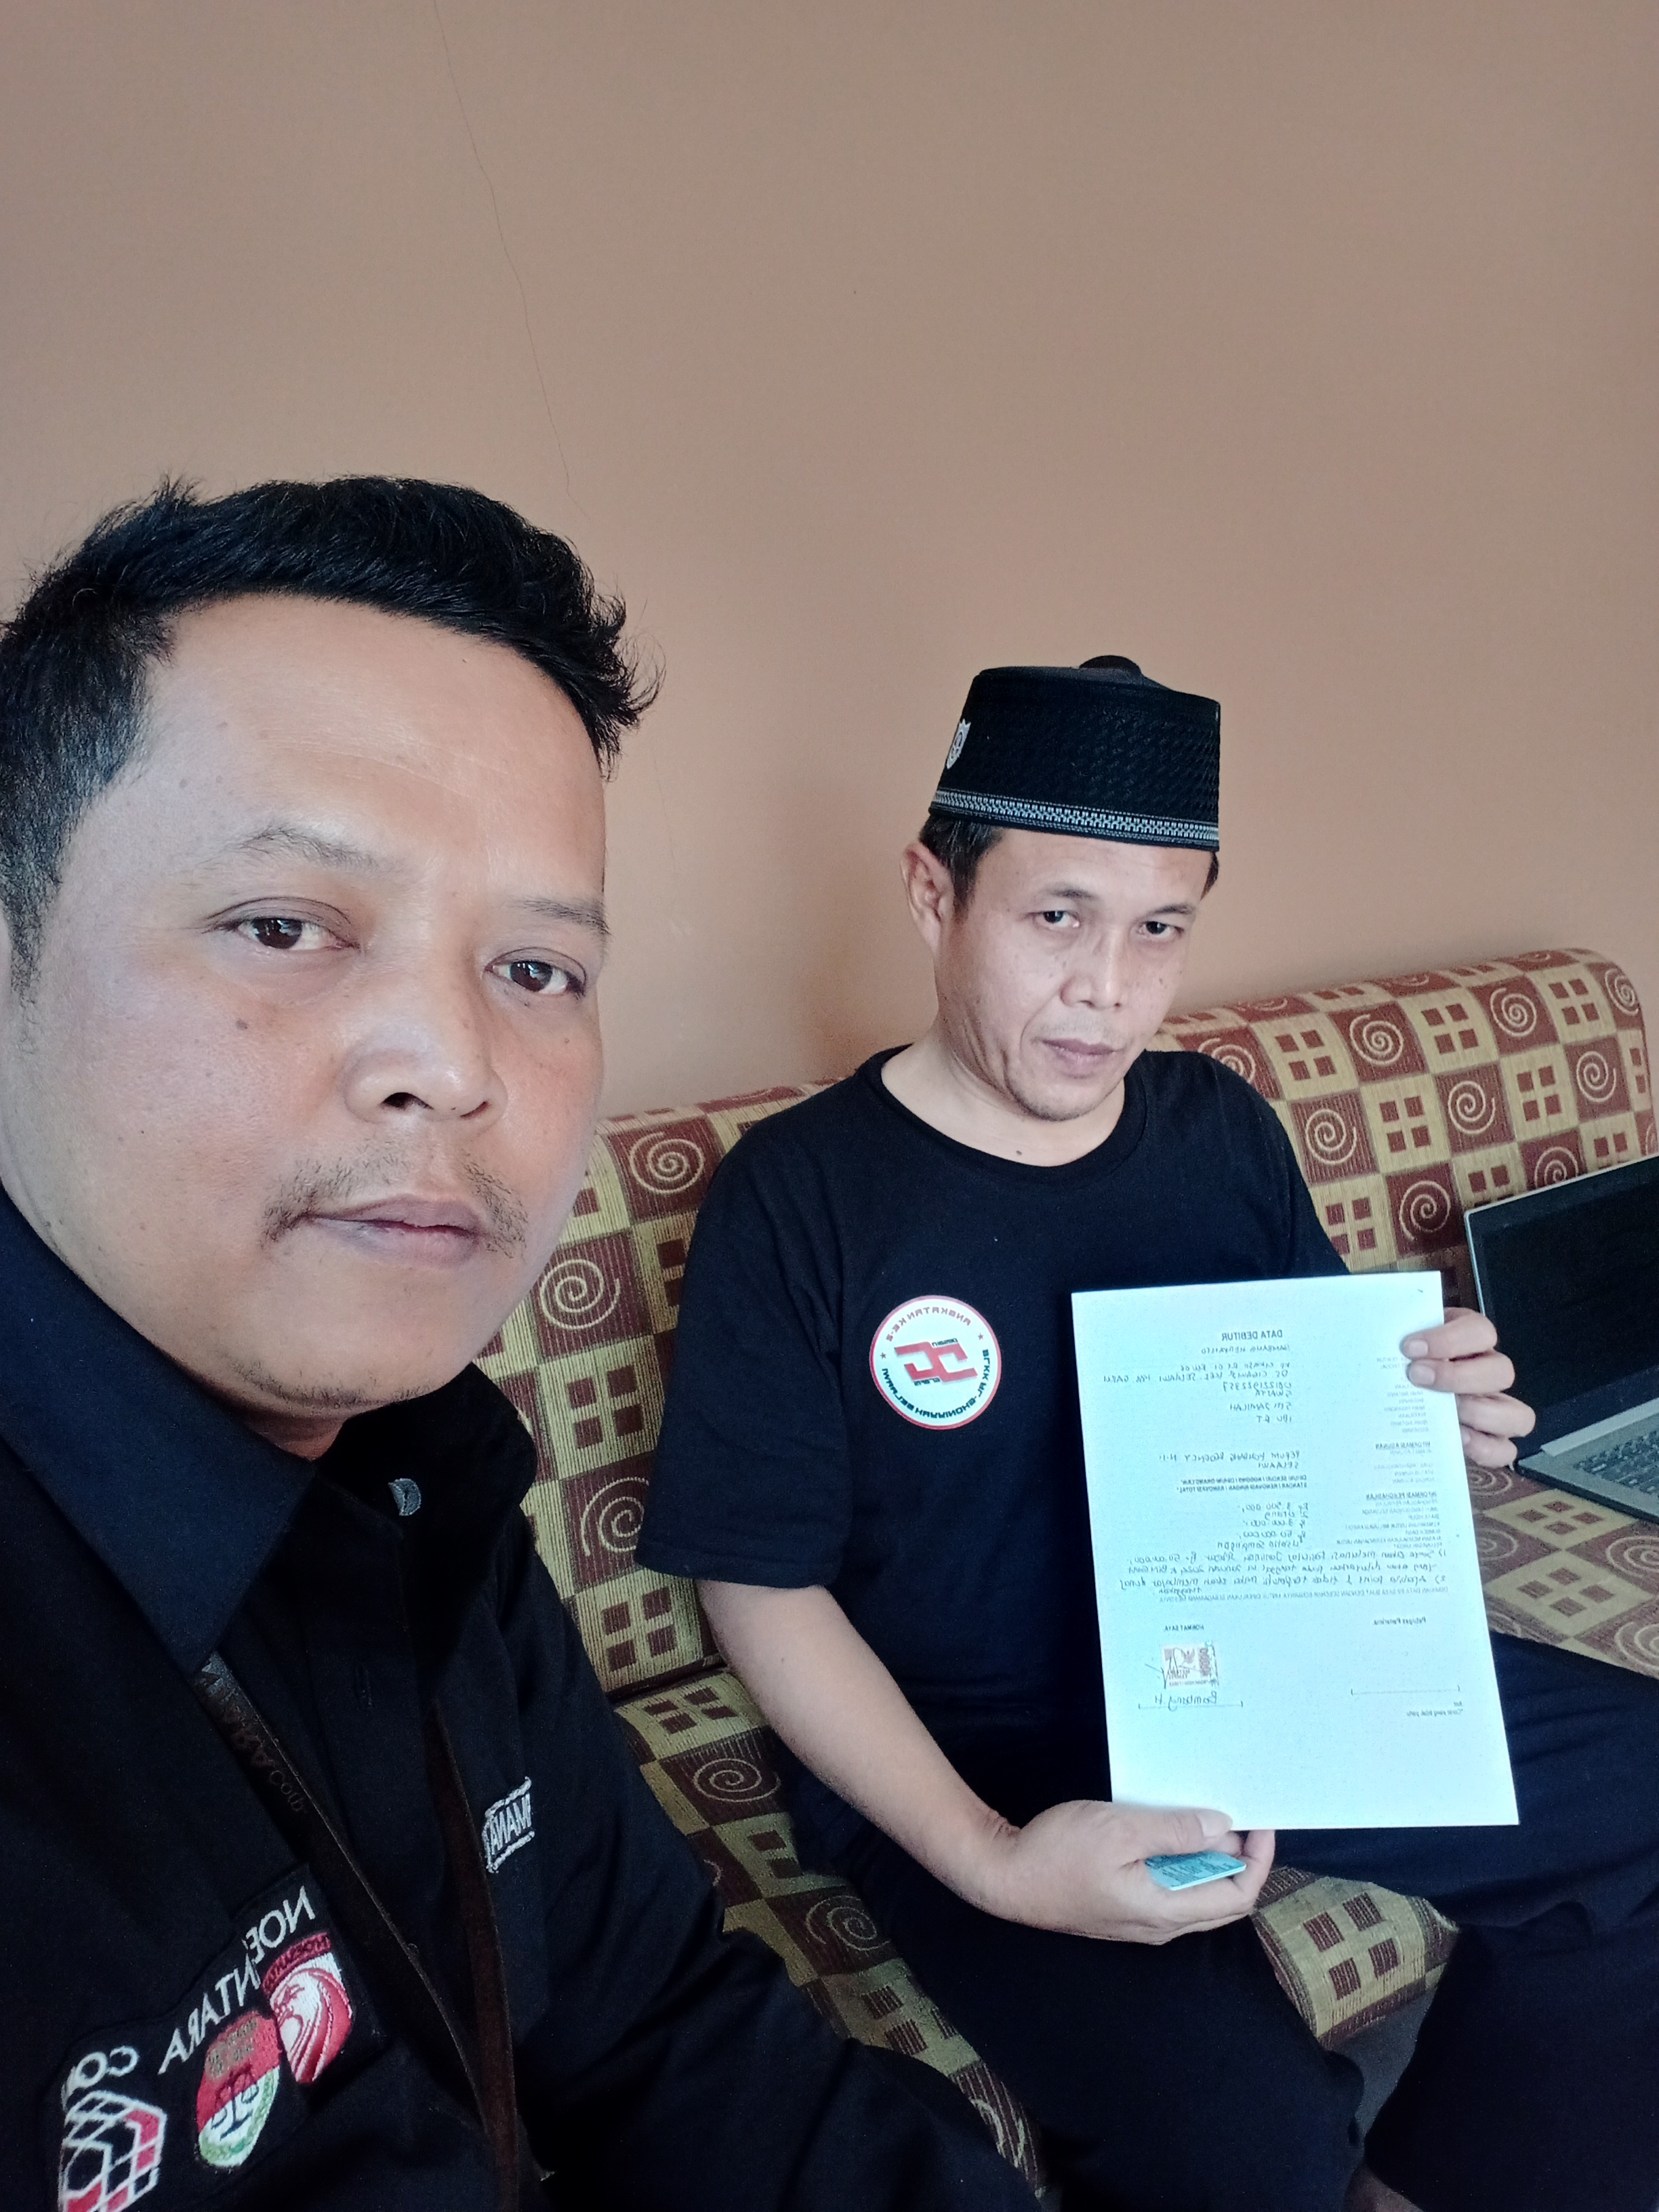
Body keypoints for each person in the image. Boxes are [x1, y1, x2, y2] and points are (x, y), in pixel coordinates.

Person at [0, 479, 1040, 2211]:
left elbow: (665, 2034)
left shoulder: (429, 1483)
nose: (455, 1064)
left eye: (539, 970)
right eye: (283, 926)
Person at [638, 656, 1659, 2212]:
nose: (1109, 987)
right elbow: (761, 1584)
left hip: (1258, 1675)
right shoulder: (802, 1195)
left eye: (1160, 928)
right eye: (1058, 916)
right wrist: (988, 1857)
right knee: (1242, 2137)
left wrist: (1420, 1426)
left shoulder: (1215, 1130)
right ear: (934, 895)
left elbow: (1316, 1430)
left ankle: (1429, 2182)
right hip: (974, 1746)